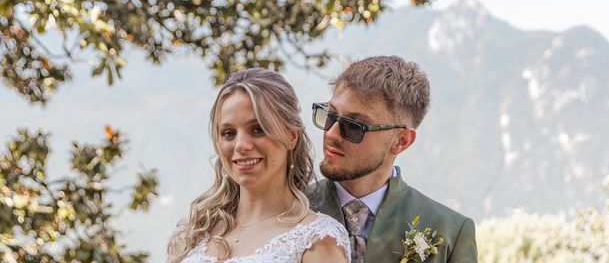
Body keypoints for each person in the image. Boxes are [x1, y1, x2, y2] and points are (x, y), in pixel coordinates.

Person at [167, 68, 350, 263]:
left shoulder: (318, 240)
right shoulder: (197, 231)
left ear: (291, 137)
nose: (241, 146)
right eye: (229, 133)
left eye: (257, 129)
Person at [310, 56, 477, 263]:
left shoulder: (450, 232)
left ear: (401, 141)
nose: (332, 134)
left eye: (354, 126)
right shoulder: (287, 209)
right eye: (330, 115)